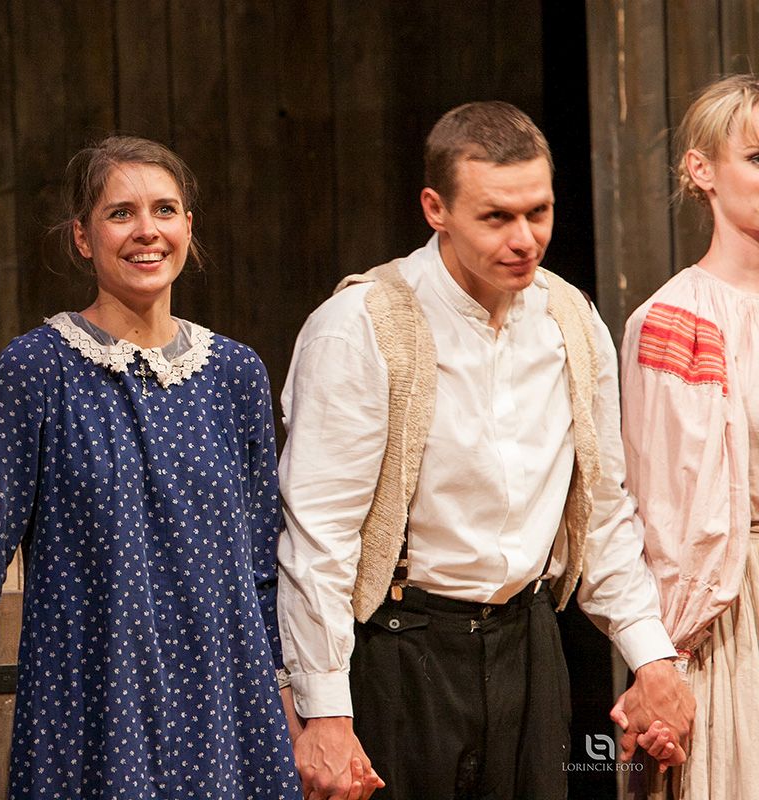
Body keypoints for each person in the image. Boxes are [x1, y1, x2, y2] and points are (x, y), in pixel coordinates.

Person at [277, 101, 695, 800]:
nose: (525, 239)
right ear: (435, 209)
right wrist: (324, 711)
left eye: (538, 212)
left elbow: (600, 509)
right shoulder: (361, 325)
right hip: (401, 645)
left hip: (527, 642)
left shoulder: (570, 319)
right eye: (496, 217)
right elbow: (320, 537)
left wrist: (650, 656)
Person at [0, 135, 300, 799]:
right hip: (93, 701)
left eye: (164, 210)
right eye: (120, 213)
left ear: (188, 226)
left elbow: (261, 565)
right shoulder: (36, 369)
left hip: (225, 703)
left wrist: (292, 701)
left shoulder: (234, 374)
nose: (146, 231)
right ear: (82, 237)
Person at [620, 73, 759, 800]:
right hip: (732, 615)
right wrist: (663, 662)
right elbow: (662, 515)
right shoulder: (676, 321)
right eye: (757, 158)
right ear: (702, 170)